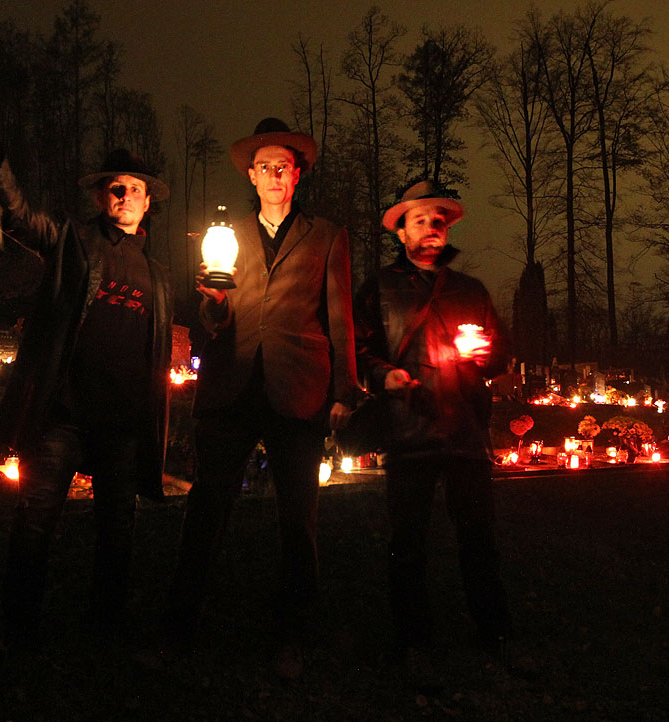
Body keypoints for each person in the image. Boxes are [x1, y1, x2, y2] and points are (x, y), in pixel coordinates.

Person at [0, 106, 174, 651]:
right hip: (65, 418)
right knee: (36, 523)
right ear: (103, 197)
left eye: (133, 189)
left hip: (122, 428)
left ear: (148, 201)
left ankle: (105, 631)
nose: (123, 196)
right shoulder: (74, 242)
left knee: (117, 535)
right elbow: (19, 215)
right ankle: (19, 629)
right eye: (114, 188)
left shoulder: (157, 275)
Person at [161, 118, 359, 678]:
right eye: (264, 167)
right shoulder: (227, 239)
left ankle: (293, 634)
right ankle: (179, 626)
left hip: (299, 389)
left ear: (297, 175)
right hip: (234, 384)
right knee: (206, 510)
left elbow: (340, 318)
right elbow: (213, 320)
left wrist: (345, 390)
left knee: (299, 520)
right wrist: (214, 307)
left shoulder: (326, 236)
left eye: (284, 166)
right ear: (252, 176)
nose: (274, 176)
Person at [352, 181, 519, 677]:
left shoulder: (471, 290)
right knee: (408, 542)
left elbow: (499, 352)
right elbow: (359, 350)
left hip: (465, 428)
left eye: (439, 221)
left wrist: (489, 356)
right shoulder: (380, 288)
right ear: (401, 230)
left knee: (479, 538)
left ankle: (496, 634)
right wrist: (384, 375)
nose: (431, 227)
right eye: (420, 219)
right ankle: (413, 641)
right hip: (409, 430)